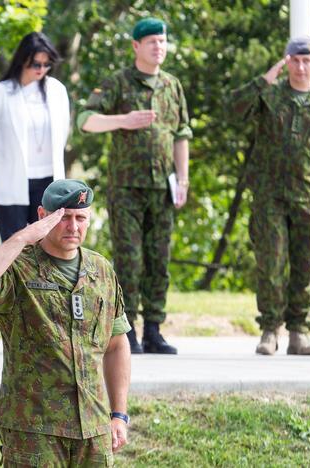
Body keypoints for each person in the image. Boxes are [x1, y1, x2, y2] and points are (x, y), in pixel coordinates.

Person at [0, 179, 131, 466]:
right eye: (63, 218)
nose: (73, 227)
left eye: (80, 218)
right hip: (34, 429)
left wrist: (119, 415)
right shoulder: (17, 268)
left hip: (94, 428)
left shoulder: (101, 270)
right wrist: (23, 238)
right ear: (42, 216)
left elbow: (116, 344)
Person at [231, 36, 310, 356]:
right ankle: (270, 329)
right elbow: (233, 109)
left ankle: (299, 330)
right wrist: (264, 79)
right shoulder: (269, 96)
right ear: (286, 62)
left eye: (306, 60)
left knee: (304, 264)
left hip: (308, 197)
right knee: (270, 264)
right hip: (269, 196)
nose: (300, 66)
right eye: (294, 60)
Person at [77, 17, 191, 355]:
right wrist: (123, 120)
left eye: (162, 41)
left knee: (159, 260)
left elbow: (181, 134)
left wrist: (182, 179)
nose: (159, 47)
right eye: (152, 41)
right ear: (136, 47)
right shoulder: (118, 83)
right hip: (127, 188)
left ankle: (154, 329)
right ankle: (126, 332)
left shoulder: (171, 85)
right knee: (129, 260)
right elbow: (86, 121)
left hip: (162, 188)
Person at [0, 31, 70, 241]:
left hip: (49, 181)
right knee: (14, 248)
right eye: (36, 64)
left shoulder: (57, 90)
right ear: (22, 61)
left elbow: (63, 133)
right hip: (10, 182)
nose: (41, 70)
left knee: (48, 245)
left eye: (46, 64)